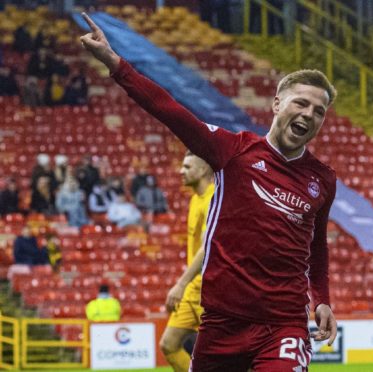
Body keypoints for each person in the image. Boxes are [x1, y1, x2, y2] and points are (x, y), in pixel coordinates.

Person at [80, 13, 337, 371]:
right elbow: (169, 110)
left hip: (285, 323)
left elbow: (317, 247)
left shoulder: (322, 179)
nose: (309, 115)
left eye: (319, 111)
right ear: (277, 103)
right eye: (301, 103)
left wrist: (322, 299)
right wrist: (115, 63)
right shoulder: (232, 150)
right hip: (222, 323)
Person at [160, 151, 215, 372]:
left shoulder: (213, 198)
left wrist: (180, 283)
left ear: (202, 170)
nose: (181, 171)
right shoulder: (195, 199)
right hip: (193, 288)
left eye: (187, 167)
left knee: (236, 356)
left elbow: (207, 246)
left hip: (211, 290)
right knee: (169, 345)